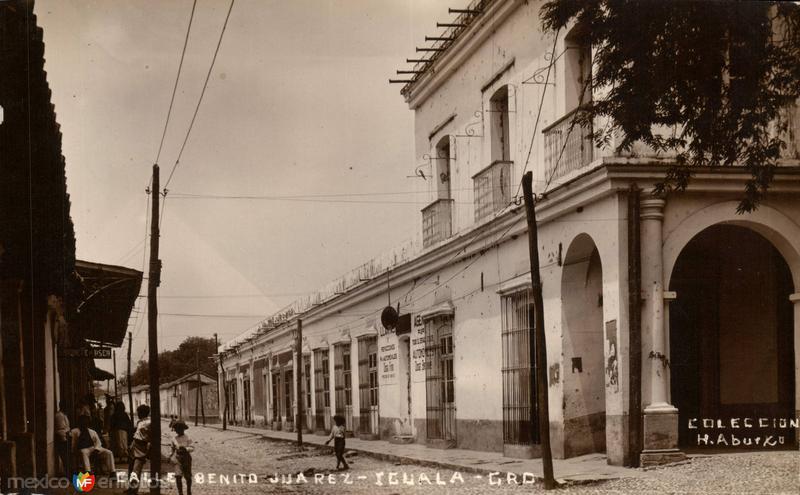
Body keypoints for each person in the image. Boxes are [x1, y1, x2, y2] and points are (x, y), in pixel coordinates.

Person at [127, 404, 151, 495]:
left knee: (136, 469)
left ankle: (134, 490)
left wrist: (149, 446)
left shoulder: (150, 422)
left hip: (142, 446)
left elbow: (150, 436)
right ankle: (131, 487)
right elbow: (136, 434)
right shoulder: (139, 422)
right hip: (134, 444)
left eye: (139, 412)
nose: (138, 414)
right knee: (131, 467)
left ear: (143, 413)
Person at [169, 421, 193, 495]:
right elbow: (172, 449)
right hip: (178, 459)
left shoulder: (187, 437)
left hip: (186, 458)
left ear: (183, 429)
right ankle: (180, 493)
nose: (178, 430)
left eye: (180, 429)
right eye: (176, 429)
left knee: (188, 477)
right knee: (178, 476)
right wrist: (169, 456)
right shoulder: (174, 439)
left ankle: (189, 491)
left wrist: (186, 448)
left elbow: (192, 448)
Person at [54, 400, 71, 475]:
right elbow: (61, 428)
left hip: (65, 435)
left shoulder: (64, 415)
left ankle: (68, 472)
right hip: (61, 437)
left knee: (66, 455)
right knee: (64, 456)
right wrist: (67, 431)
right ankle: (67, 473)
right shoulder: (59, 415)